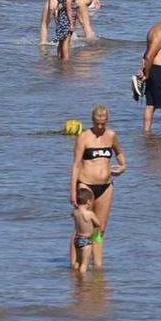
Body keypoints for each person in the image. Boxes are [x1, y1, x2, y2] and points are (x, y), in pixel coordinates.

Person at [70, 105, 125, 268]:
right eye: (97, 123)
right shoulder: (84, 137)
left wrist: (122, 167)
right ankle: (75, 263)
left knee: (99, 229)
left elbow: (119, 153)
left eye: (103, 123)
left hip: (106, 187)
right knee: (83, 229)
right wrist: (73, 191)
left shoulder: (111, 135)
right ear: (92, 121)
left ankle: (98, 265)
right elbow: (76, 165)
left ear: (107, 121)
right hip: (86, 185)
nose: (100, 127)